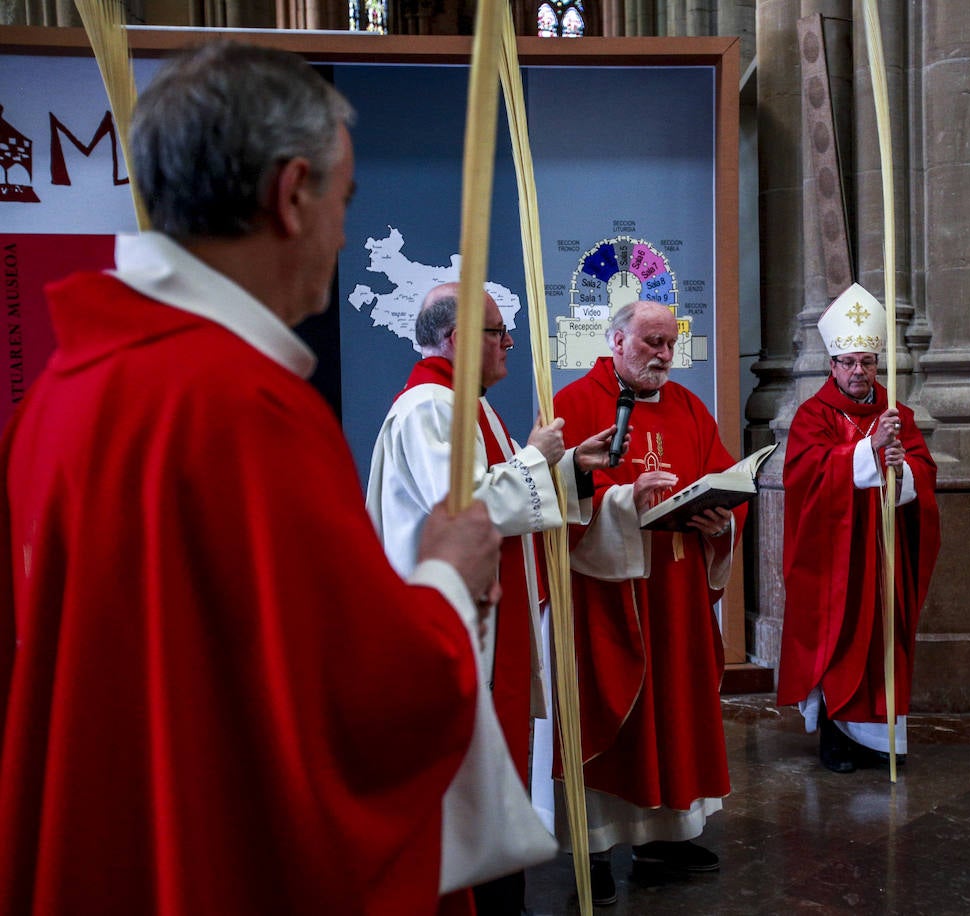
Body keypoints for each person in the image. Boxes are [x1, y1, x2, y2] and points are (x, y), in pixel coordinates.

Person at [0, 42, 508, 915]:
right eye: (344, 202)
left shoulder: (61, 391)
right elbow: (362, 703)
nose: (346, 234)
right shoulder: (244, 409)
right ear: (291, 194)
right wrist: (449, 581)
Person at [366, 283, 615, 915]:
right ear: (456, 340)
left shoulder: (465, 404)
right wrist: (537, 460)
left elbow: (502, 492)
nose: (508, 343)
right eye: (497, 332)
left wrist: (568, 471)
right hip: (452, 622)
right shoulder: (430, 406)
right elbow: (469, 506)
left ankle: (497, 893)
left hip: (490, 616)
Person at [533, 300, 741, 907]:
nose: (663, 354)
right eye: (651, 341)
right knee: (605, 708)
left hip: (675, 592)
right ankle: (591, 846)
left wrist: (718, 516)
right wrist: (625, 501)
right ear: (617, 340)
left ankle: (664, 836)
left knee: (675, 708)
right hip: (606, 594)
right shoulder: (573, 405)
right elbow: (551, 499)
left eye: (670, 343)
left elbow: (721, 473)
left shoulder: (689, 406)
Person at [777, 283, 941, 772]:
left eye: (866, 362)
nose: (857, 371)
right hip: (836, 560)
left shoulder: (897, 416)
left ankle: (879, 739)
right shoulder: (813, 416)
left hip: (886, 553)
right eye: (847, 362)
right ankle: (836, 735)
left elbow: (925, 474)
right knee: (839, 638)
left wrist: (902, 467)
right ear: (832, 366)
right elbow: (804, 476)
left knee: (882, 642)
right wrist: (868, 454)